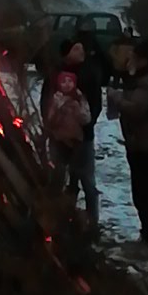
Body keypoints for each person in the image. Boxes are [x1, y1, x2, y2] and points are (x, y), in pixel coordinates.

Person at [107, 35, 148, 249]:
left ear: (144, 59)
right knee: (144, 195)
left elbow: (136, 109)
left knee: (145, 197)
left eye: (135, 56)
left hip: (147, 147)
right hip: (145, 145)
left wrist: (116, 97)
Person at [43, 67, 93, 209]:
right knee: (58, 170)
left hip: (75, 140)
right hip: (59, 140)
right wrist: (58, 110)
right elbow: (50, 120)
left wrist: (77, 110)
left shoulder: (79, 98)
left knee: (75, 172)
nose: (67, 84)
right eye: (63, 81)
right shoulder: (57, 99)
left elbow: (86, 118)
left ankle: (71, 202)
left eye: (70, 81)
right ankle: (56, 201)